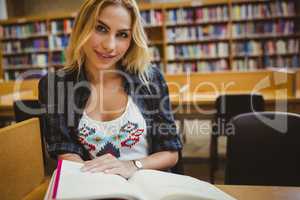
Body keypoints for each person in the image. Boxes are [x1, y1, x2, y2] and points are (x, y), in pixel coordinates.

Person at [38, 0, 182, 179]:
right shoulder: (55, 85)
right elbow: (65, 152)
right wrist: (103, 183)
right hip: (92, 184)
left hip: (148, 184)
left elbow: (170, 152)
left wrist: (132, 166)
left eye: (122, 34)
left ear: (132, 39)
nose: (110, 46)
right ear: (82, 28)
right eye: (101, 29)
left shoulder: (150, 79)